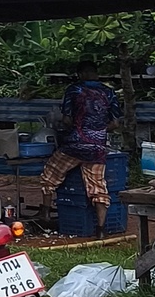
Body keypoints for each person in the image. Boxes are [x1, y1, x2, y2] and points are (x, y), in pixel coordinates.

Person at [40, 73, 122, 229]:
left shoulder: (74, 89)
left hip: (74, 146)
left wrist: (77, 128)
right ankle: (101, 229)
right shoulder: (109, 92)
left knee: (50, 176)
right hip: (97, 149)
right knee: (98, 188)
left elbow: (66, 120)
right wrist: (99, 131)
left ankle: (45, 214)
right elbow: (116, 123)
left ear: (79, 74)